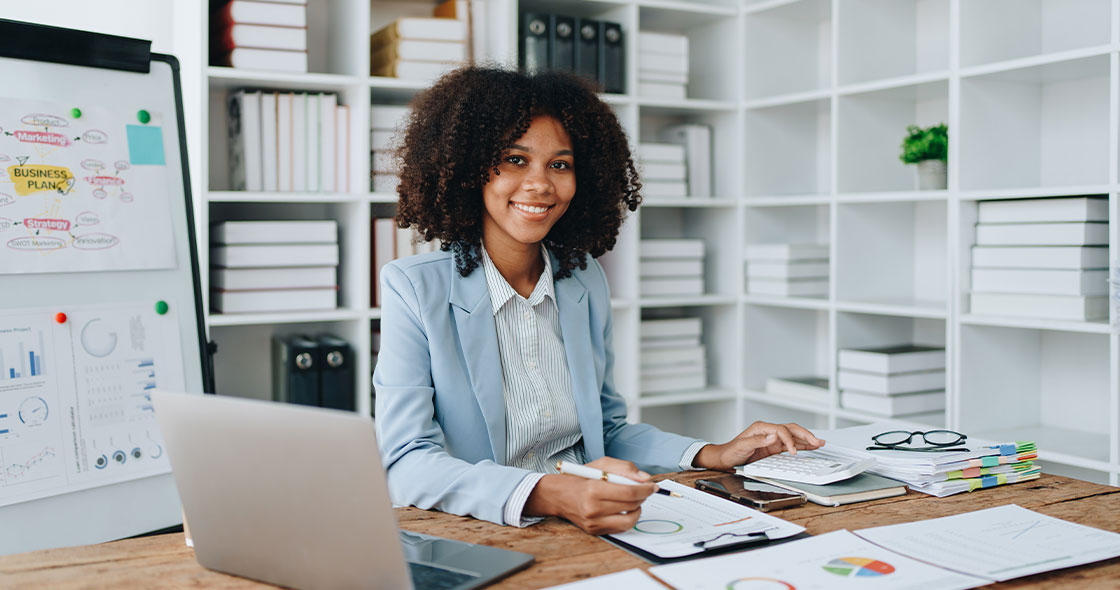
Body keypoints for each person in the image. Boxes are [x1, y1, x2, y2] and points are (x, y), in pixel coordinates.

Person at [373, 67, 824, 535]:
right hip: (488, 526)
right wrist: (546, 493)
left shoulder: (581, 280)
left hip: (594, 520)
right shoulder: (414, 288)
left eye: (560, 164)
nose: (540, 184)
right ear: (468, 169)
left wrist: (712, 453)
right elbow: (405, 462)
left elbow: (605, 432)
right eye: (514, 159)